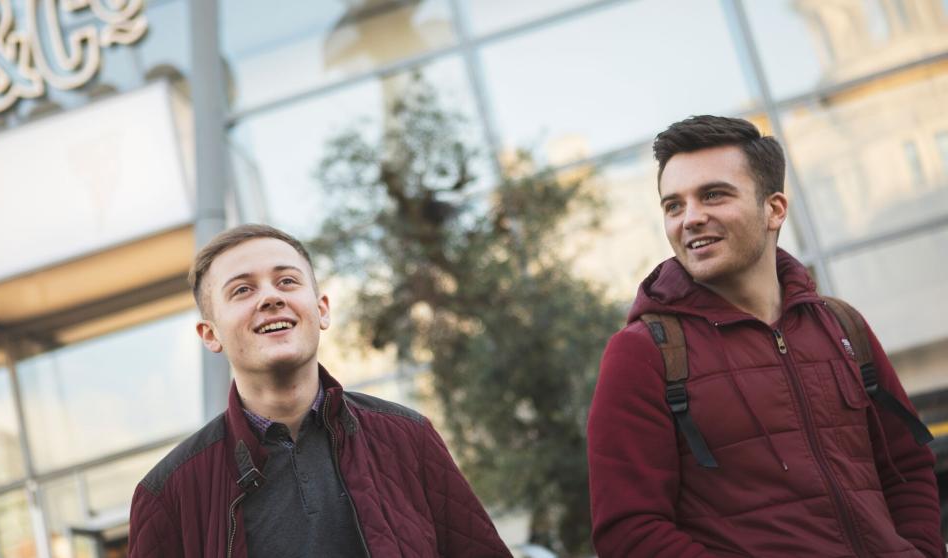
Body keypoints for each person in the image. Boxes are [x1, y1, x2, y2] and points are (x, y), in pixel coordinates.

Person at [586, 115, 944, 557]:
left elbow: (906, 466)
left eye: (713, 195)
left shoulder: (842, 326)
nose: (691, 218)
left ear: (774, 209)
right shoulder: (642, 354)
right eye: (673, 205)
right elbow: (630, 533)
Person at [128, 224, 510, 557]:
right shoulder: (168, 494)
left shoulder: (409, 437)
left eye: (287, 281)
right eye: (242, 290)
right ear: (210, 334)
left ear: (322, 309)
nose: (271, 298)